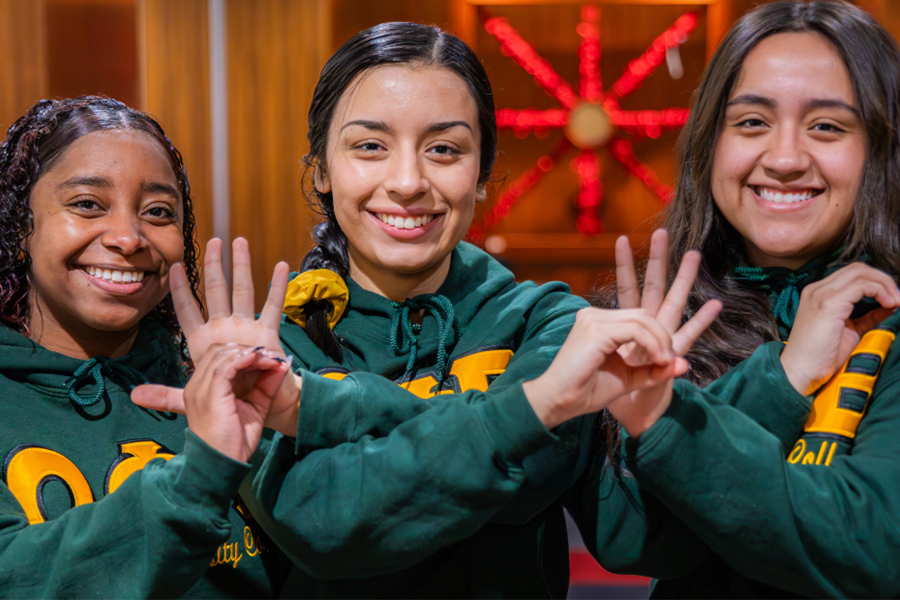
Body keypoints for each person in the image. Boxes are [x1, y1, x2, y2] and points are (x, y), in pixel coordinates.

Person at [132, 21, 720, 598]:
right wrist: (528, 411)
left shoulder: (551, 324)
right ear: (322, 170)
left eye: (444, 148)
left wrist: (320, 411)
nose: (408, 181)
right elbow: (330, 529)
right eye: (370, 146)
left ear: (483, 173)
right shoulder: (266, 345)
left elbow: (544, 496)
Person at [579, 1, 900, 597]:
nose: (783, 159)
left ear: (881, 148)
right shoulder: (656, 320)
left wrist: (671, 431)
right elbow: (630, 539)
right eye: (751, 122)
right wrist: (782, 376)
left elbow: (875, 546)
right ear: (710, 143)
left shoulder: (892, 322)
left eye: (826, 126)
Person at [0, 96, 295, 598]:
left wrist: (292, 416)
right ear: (19, 223)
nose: (128, 237)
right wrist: (201, 476)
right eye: (87, 204)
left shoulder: (221, 386)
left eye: (158, 211)